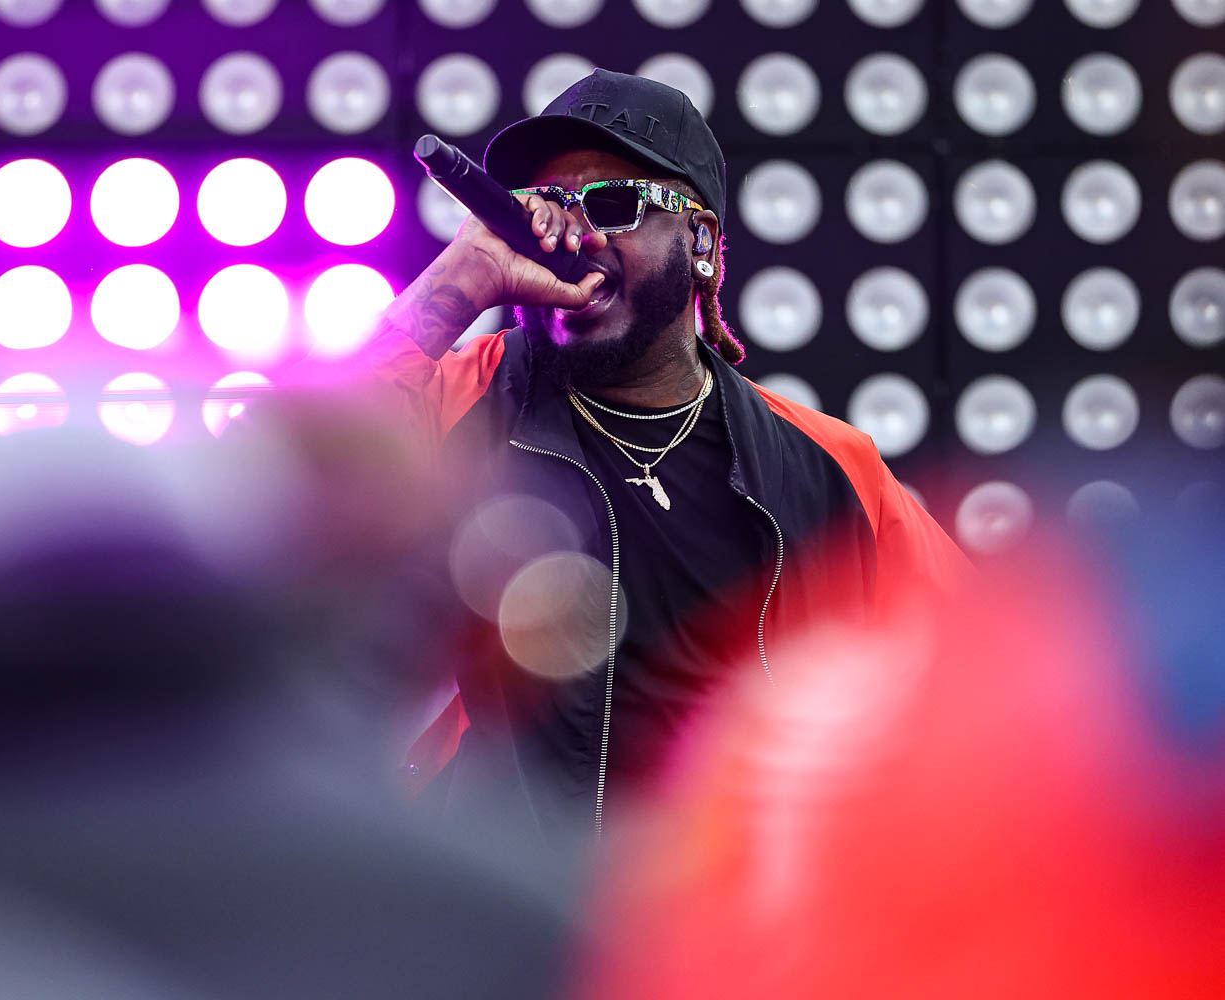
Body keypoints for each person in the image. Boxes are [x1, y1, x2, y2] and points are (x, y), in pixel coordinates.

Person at [366, 69, 967, 849]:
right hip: (507, 902)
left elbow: (986, 673)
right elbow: (281, 484)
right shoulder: (459, 401)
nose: (575, 235)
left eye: (614, 205)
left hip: (737, 910)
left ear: (702, 244)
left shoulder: (826, 464)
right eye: (547, 206)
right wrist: (457, 283)